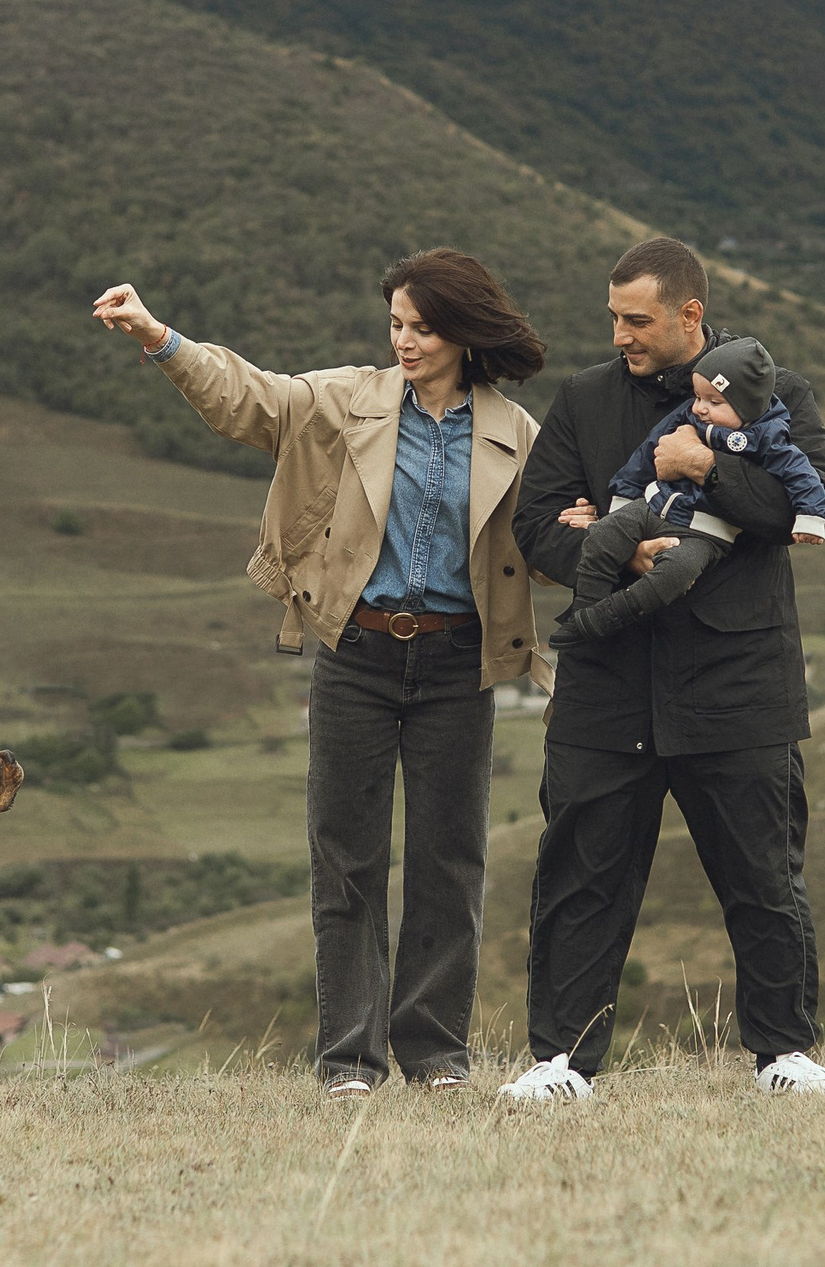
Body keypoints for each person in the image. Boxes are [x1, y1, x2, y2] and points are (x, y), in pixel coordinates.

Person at [92, 250, 549, 1099]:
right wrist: (159, 337)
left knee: (450, 862)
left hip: (459, 662)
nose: (404, 340)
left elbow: (547, 543)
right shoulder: (344, 401)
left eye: (422, 327)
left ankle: (436, 1056)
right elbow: (247, 398)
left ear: (463, 333)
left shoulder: (514, 433)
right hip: (356, 655)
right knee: (345, 861)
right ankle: (350, 1060)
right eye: (396, 324)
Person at [501, 237, 825, 1099]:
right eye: (613, 317)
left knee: (764, 877)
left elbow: (805, 504)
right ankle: (560, 1062)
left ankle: (784, 1054)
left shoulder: (780, 392)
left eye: (636, 319)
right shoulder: (583, 398)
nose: (619, 334)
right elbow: (534, 525)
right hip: (606, 684)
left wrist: (707, 469)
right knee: (580, 877)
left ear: (691, 314)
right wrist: (613, 548)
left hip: (739, 682)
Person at [548, 335, 825, 647]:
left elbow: (802, 474)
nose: (700, 408)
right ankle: (583, 609)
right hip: (654, 504)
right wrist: (623, 498)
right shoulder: (688, 417)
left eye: (714, 402)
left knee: (675, 575)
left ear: (747, 405)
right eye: (698, 397)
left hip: (705, 533)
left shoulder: (769, 438)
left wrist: (810, 517)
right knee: (603, 535)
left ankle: (606, 617)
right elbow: (649, 452)